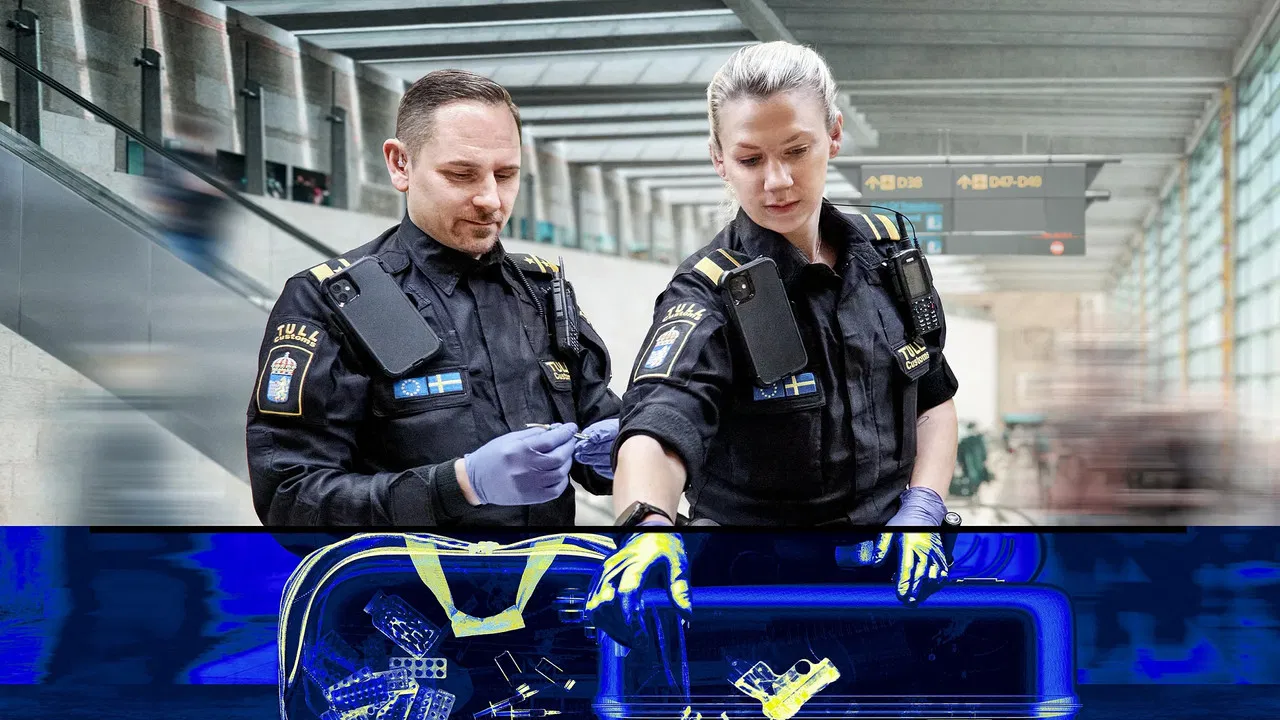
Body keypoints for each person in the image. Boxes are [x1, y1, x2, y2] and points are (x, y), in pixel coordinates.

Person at [609, 42, 959, 529]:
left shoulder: (888, 259)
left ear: (834, 135)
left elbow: (932, 401)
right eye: (750, 160)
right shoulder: (708, 291)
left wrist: (923, 506)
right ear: (718, 159)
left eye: (796, 151)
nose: (776, 180)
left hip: (891, 554)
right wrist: (647, 526)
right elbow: (658, 428)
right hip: (757, 565)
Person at [246, 70, 620, 526]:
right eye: (461, 175)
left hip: (548, 568)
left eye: (505, 175)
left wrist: (624, 450)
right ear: (400, 164)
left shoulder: (540, 292)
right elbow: (290, 498)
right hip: (406, 572)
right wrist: (458, 486)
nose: (491, 199)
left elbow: (599, 428)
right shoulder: (338, 302)